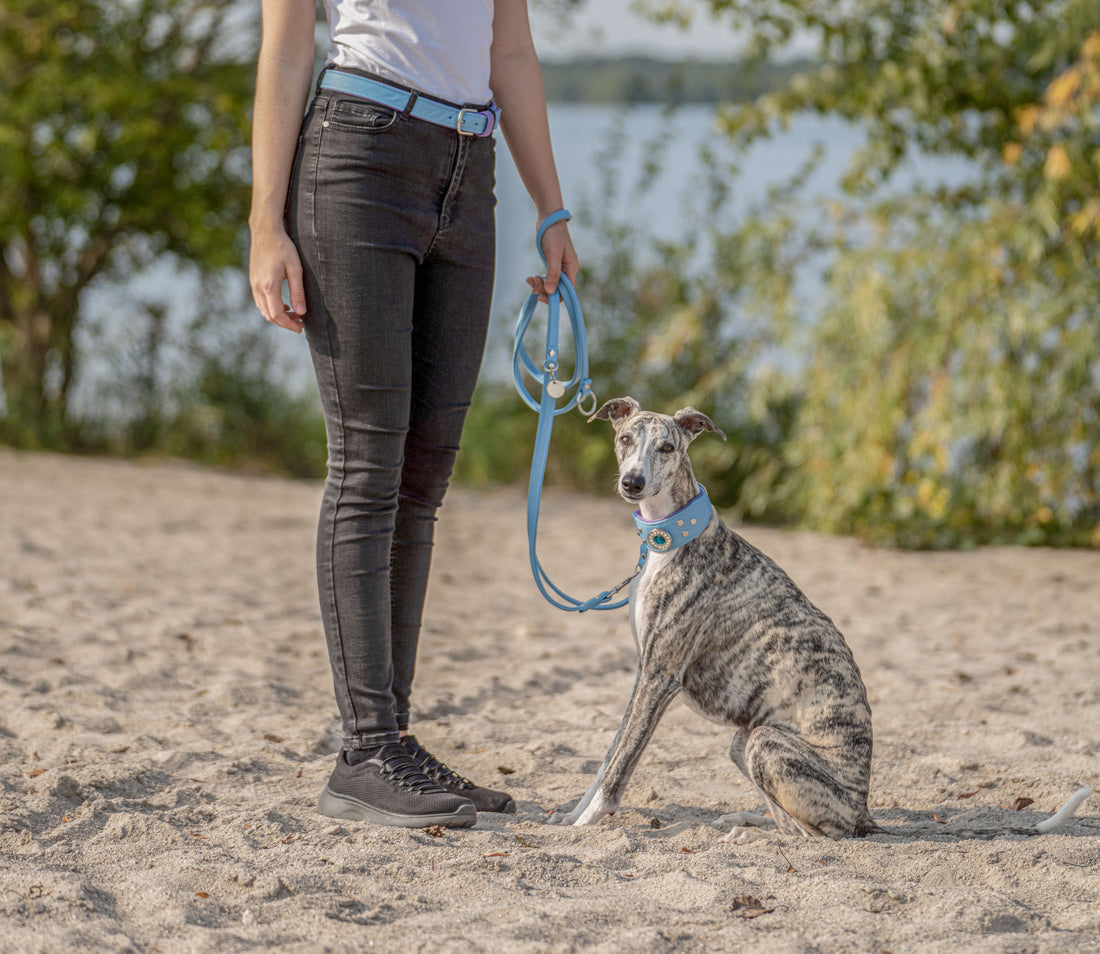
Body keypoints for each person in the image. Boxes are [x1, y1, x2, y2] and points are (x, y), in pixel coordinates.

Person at [248, 0, 577, 829]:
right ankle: (365, 752)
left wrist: (553, 209)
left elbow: (513, 52)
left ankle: (391, 737)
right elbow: (287, 52)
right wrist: (264, 224)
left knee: (424, 477)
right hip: (359, 155)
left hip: (470, 171)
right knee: (368, 466)